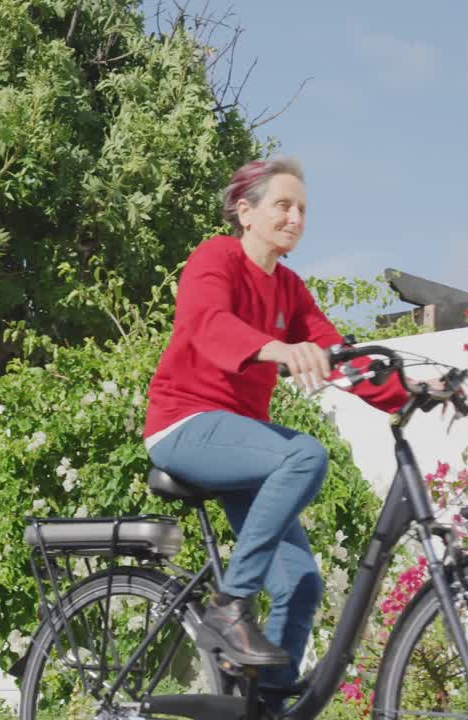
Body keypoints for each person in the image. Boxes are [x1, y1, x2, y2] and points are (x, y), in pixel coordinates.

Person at [143, 156, 430, 689]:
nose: (295, 217)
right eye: (283, 205)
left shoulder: (291, 289)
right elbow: (208, 325)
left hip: (237, 442)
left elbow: (340, 356)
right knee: (305, 453)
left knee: (301, 585)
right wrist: (277, 349)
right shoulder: (216, 257)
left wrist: (410, 390)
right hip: (184, 424)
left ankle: (265, 707)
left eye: (302, 209)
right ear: (245, 211)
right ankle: (230, 605)